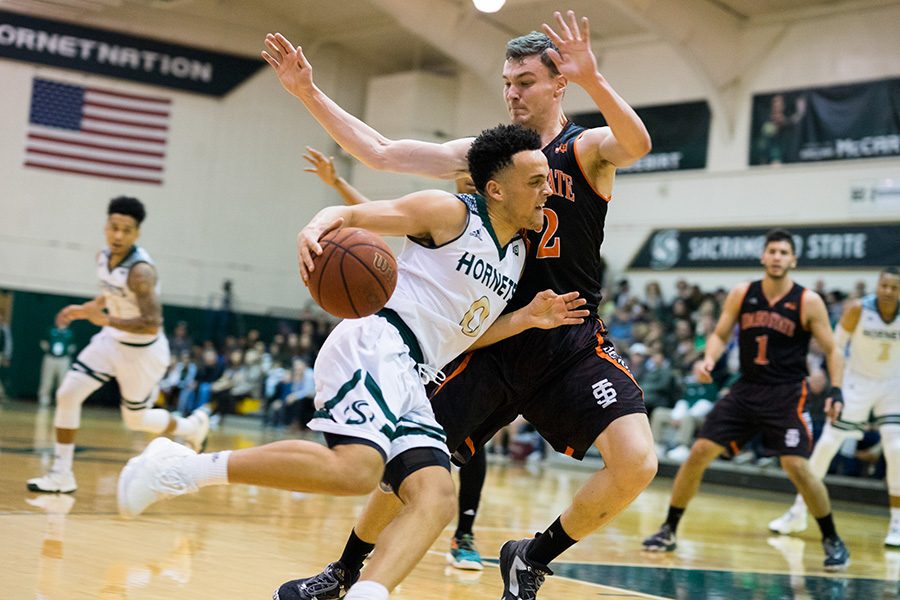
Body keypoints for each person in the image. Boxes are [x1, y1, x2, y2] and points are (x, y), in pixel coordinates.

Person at [262, 9, 654, 599]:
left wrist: (596, 77)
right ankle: (343, 570)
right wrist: (308, 92)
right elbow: (382, 151)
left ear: (558, 83)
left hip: (568, 337)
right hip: (486, 338)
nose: (513, 92)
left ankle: (533, 556)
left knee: (636, 464)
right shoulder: (487, 158)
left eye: (525, 81)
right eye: (506, 81)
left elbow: (637, 143)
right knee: (405, 470)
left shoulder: (586, 150)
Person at [116, 124, 590, 600]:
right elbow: (349, 214)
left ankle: (368, 592)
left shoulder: (515, 257)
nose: (547, 190)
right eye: (535, 182)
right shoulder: (449, 214)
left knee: (436, 497)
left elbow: (463, 337)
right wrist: (315, 226)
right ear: (496, 189)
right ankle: (177, 468)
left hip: (416, 372)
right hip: (377, 343)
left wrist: (527, 318)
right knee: (357, 470)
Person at [304, 146, 488, 570]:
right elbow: (375, 214)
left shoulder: (506, 233)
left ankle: (464, 533)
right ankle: (352, 564)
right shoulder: (449, 218)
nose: (469, 184)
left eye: (474, 178)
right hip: (419, 348)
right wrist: (336, 185)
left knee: (469, 448)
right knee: (395, 460)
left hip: (469, 345)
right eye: (463, 177)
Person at [641, 229, 851, 571]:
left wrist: (837, 390)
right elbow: (720, 334)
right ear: (763, 257)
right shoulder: (743, 293)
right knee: (698, 453)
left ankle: (831, 537)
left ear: (793, 260)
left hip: (786, 393)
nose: (778, 257)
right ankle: (669, 528)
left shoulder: (807, 301)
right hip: (746, 389)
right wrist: (708, 359)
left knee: (796, 465)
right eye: (773, 251)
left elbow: (832, 349)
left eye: (784, 252)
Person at [26, 196, 210, 494]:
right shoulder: (103, 257)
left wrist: (104, 321)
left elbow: (151, 321)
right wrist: (85, 310)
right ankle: (61, 474)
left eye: (126, 230)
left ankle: (191, 427)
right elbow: (110, 295)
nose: (118, 235)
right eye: (114, 228)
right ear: (105, 227)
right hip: (111, 341)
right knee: (68, 393)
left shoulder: (141, 271)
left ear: (137, 234)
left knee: (136, 419)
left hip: (142, 351)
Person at [768, 267, 900, 546]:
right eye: (884, 285)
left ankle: (897, 524)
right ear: (877, 286)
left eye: (894, 287)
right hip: (856, 382)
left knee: (896, 449)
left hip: (892, 385)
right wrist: (833, 386)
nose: (888, 291)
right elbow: (835, 347)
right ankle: (798, 512)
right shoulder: (857, 310)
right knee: (827, 444)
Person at [38, 323, 76, 406]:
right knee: (47, 378)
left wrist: (66, 353)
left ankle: (61, 399)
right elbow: (43, 342)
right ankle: (44, 397)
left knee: (63, 380)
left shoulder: (70, 332)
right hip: (50, 357)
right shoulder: (50, 330)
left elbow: (73, 345)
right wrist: (49, 350)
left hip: (64, 359)